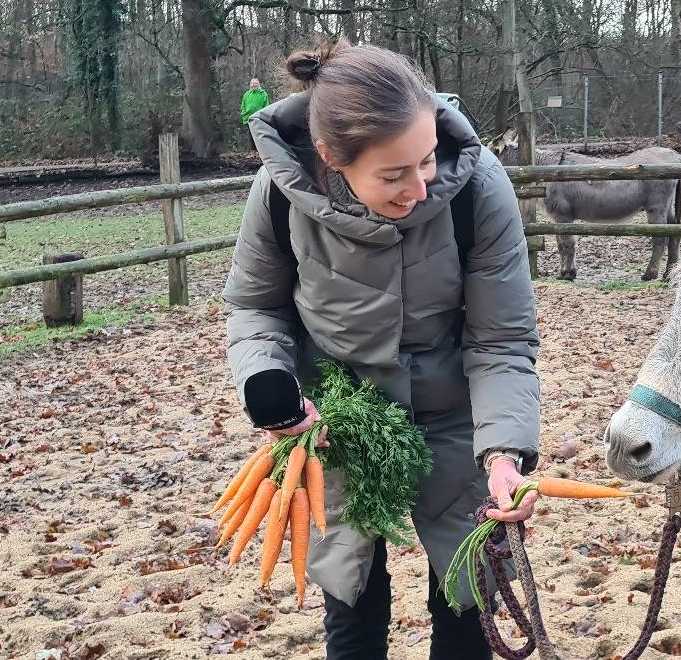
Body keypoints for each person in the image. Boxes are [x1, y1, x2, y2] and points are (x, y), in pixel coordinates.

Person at [225, 41, 541, 659]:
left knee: (468, 597)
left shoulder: (477, 187)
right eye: (394, 175)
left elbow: (501, 337)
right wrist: (270, 389)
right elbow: (257, 306)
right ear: (330, 159)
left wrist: (505, 451)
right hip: (338, 419)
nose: (419, 189)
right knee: (350, 595)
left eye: (425, 162)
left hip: (456, 411)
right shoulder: (276, 195)